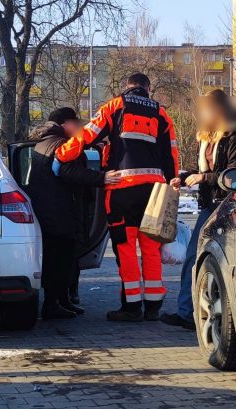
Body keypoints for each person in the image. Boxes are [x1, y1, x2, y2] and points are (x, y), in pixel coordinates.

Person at [53, 73, 179, 322]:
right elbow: (171, 153)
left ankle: (131, 307)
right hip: (153, 192)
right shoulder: (162, 115)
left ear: (127, 87)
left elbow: (89, 133)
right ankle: (153, 306)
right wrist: (172, 181)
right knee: (151, 247)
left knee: (126, 247)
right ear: (148, 89)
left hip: (122, 189)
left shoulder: (115, 106)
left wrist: (63, 153)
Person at [161, 89, 236, 330]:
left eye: (206, 109)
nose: (202, 113)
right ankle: (188, 311)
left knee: (199, 257)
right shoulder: (207, 136)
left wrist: (203, 178)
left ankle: (192, 312)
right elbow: (201, 169)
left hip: (229, 205)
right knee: (195, 257)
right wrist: (184, 176)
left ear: (219, 109)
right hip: (211, 203)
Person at [28, 107, 121, 319]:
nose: (79, 128)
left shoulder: (44, 142)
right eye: (76, 124)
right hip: (60, 210)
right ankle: (53, 304)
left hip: (51, 210)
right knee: (59, 259)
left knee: (61, 258)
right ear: (64, 124)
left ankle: (62, 300)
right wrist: (102, 178)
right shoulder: (60, 145)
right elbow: (68, 171)